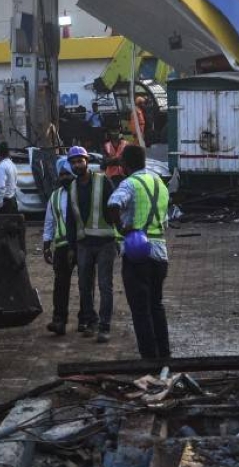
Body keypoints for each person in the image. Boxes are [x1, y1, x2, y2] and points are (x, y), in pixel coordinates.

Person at [45, 146, 117, 342]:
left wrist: (119, 239)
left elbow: (115, 209)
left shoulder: (103, 181)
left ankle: (104, 326)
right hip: (83, 244)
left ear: (86, 161)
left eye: (80, 161)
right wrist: (71, 246)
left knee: (104, 286)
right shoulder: (73, 188)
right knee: (84, 285)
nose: (77, 165)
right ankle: (91, 322)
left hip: (104, 242)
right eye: (73, 162)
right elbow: (70, 221)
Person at [105, 144, 170, 360]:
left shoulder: (130, 183)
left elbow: (113, 204)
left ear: (125, 164)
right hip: (160, 252)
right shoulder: (159, 183)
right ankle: (164, 357)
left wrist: (122, 228)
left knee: (141, 311)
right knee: (156, 306)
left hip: (137, 252)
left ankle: (149, 360)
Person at [42, 167, 79, 336]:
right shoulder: (55, 195)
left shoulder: (82, 191)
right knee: (60, 284)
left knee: (85, 284)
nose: (64, 177)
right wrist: (46, 244)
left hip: (81, 244)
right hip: (62, 246)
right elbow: (49, 221)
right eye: (61, 174)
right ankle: (59, 320)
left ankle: (86, 319)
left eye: (67, 174)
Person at [0, 142, 19, 214]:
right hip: (11, 199)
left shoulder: (2, 166)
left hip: (4, 203)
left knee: (2, 224)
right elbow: (15, 182)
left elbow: (1, 187)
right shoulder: (12, 164)